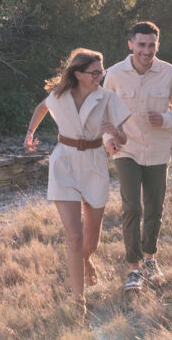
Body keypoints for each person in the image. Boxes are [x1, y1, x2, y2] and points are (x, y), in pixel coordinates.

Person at [24, 48, 130, 306]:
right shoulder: (59, 95)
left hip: (94, 164)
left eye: (101, 71)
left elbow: (124, 138)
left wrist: (114, 132)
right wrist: (29, 134)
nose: (100, 76)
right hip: (64, 163)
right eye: (95, 72)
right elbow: (41, 107)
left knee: (90, 243)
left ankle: (86, 259)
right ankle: (78, 300)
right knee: (74, 237)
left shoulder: (107, 97)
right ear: (79, 74)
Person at [103, 21, 172, 291]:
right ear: (131, 44)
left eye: (151, 45)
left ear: (157, 45)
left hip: (158, 151)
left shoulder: (169, 73)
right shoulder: (115, 74)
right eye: (141, 44)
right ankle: (134, 269)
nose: (146, 50)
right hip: (126, 150)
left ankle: (150, 259)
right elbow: (103, 112)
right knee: (132, 208)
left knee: (154, 209)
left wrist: (164, 118)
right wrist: (108, 140)